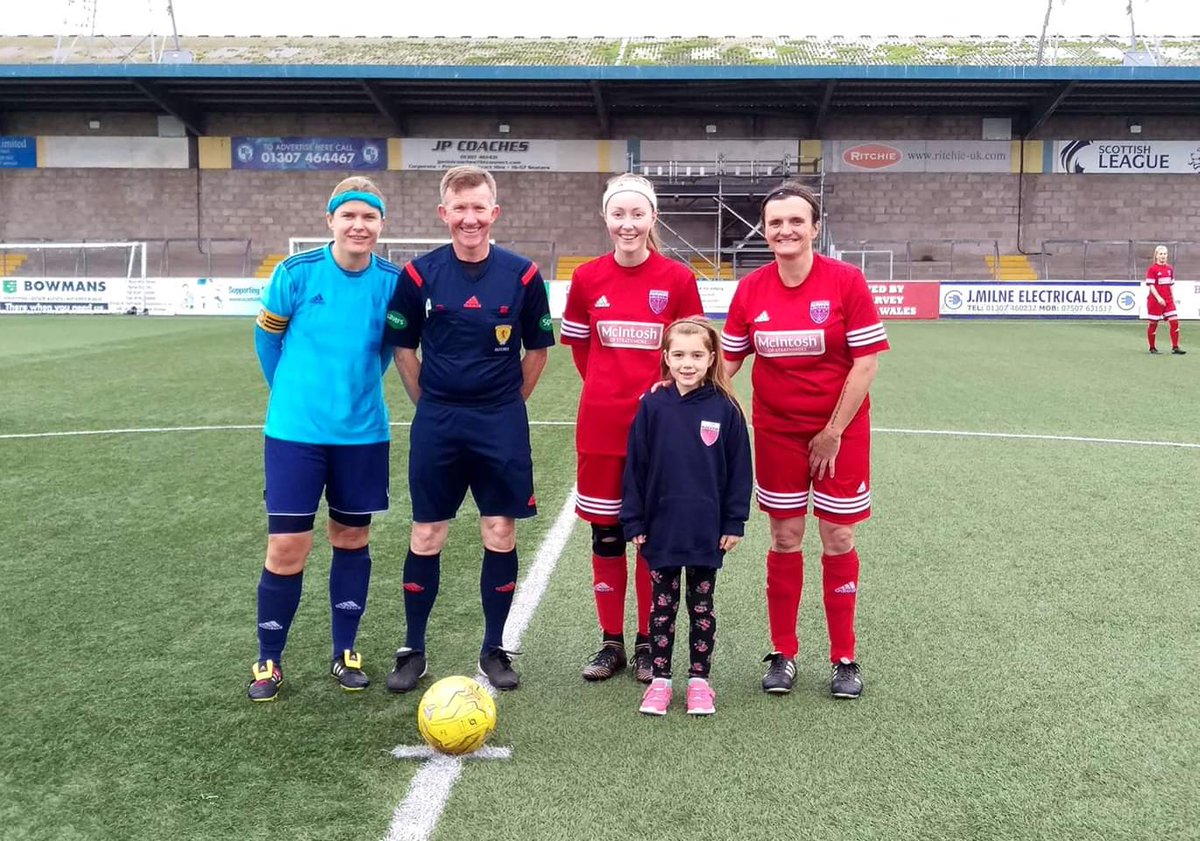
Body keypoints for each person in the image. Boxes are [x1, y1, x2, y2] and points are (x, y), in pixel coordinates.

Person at [382, 165, 554, 693]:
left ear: (494, 213)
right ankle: (413, 649)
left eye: (479, 208)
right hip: (439, 419)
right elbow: (404, 349)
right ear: (444, 214)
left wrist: (503, 404)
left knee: (499, 530)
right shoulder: (418, 276)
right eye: (460, 209)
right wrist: (430, 403)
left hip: (499, 419)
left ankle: (494, 648)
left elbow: (538, 350)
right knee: (427, 533)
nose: (470, 218)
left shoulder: (523, 275)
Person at [721, 181, 890, 700]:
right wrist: (732, 410)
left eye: (796, 221)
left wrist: (832, 432)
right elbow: (726, 362)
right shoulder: (751, 289)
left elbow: (866, 363)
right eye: (776, 223)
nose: (785, 230)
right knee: (785, 538)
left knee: (838, 538)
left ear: (815, 228)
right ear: (765, 231)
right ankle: (784, 652)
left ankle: (844, 658)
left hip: (839, 436)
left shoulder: (846, 282)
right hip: (776, 436)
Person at [247, 176, 401, 702]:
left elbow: (385, 351)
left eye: (370, 216)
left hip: (361, 436)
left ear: (382, 224)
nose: (359, 225)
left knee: (351, 539)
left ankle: (345, 651)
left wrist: (355, 393)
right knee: (287, 546)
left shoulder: (391, 281)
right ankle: (268, 661)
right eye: (349, 215)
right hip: (295, 434)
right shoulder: (295, 272)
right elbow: (267, 339)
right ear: (330, 220)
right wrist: (289, 393)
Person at [560, 174, 705, 683]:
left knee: (648, 538)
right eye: (618, 214)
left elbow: (691, 352)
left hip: (658, 431)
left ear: (652, 218)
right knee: (606, 535)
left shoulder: (677, 279)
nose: (628, 224)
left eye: (637, 214)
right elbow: (580, 348)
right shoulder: (586, 279)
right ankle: (610, 643)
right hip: (600, 427)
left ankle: (648, 641)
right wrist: (605, 387)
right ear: (606, 218)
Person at [621, 318, 752, 716]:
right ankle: (660, 681)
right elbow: (636, 467)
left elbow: (740, 469)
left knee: (701, 607)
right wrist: (635, 520)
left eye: (697, 355)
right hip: (661, 526)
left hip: (705, 528)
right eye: (678, 355)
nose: (687, 363)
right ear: (666, 358)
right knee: (661, 608)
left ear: (712, 358)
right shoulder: (653, 405)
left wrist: (734, 521)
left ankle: (699, 682)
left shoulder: (725, 408)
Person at [1145, 245, 1185, 355]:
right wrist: (1158, 298)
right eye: (1161, 254)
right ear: (1156, 255)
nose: (1163, 256)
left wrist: (1173, 298)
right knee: (1153, 324)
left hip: (1168, 301)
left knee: (1175, 321)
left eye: (1165, 254)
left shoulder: (1169, 269)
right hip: (1155, 301)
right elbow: (1151, 286)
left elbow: (1171, 285)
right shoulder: (1152, 269)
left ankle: (1175, 347)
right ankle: (1152, 347)